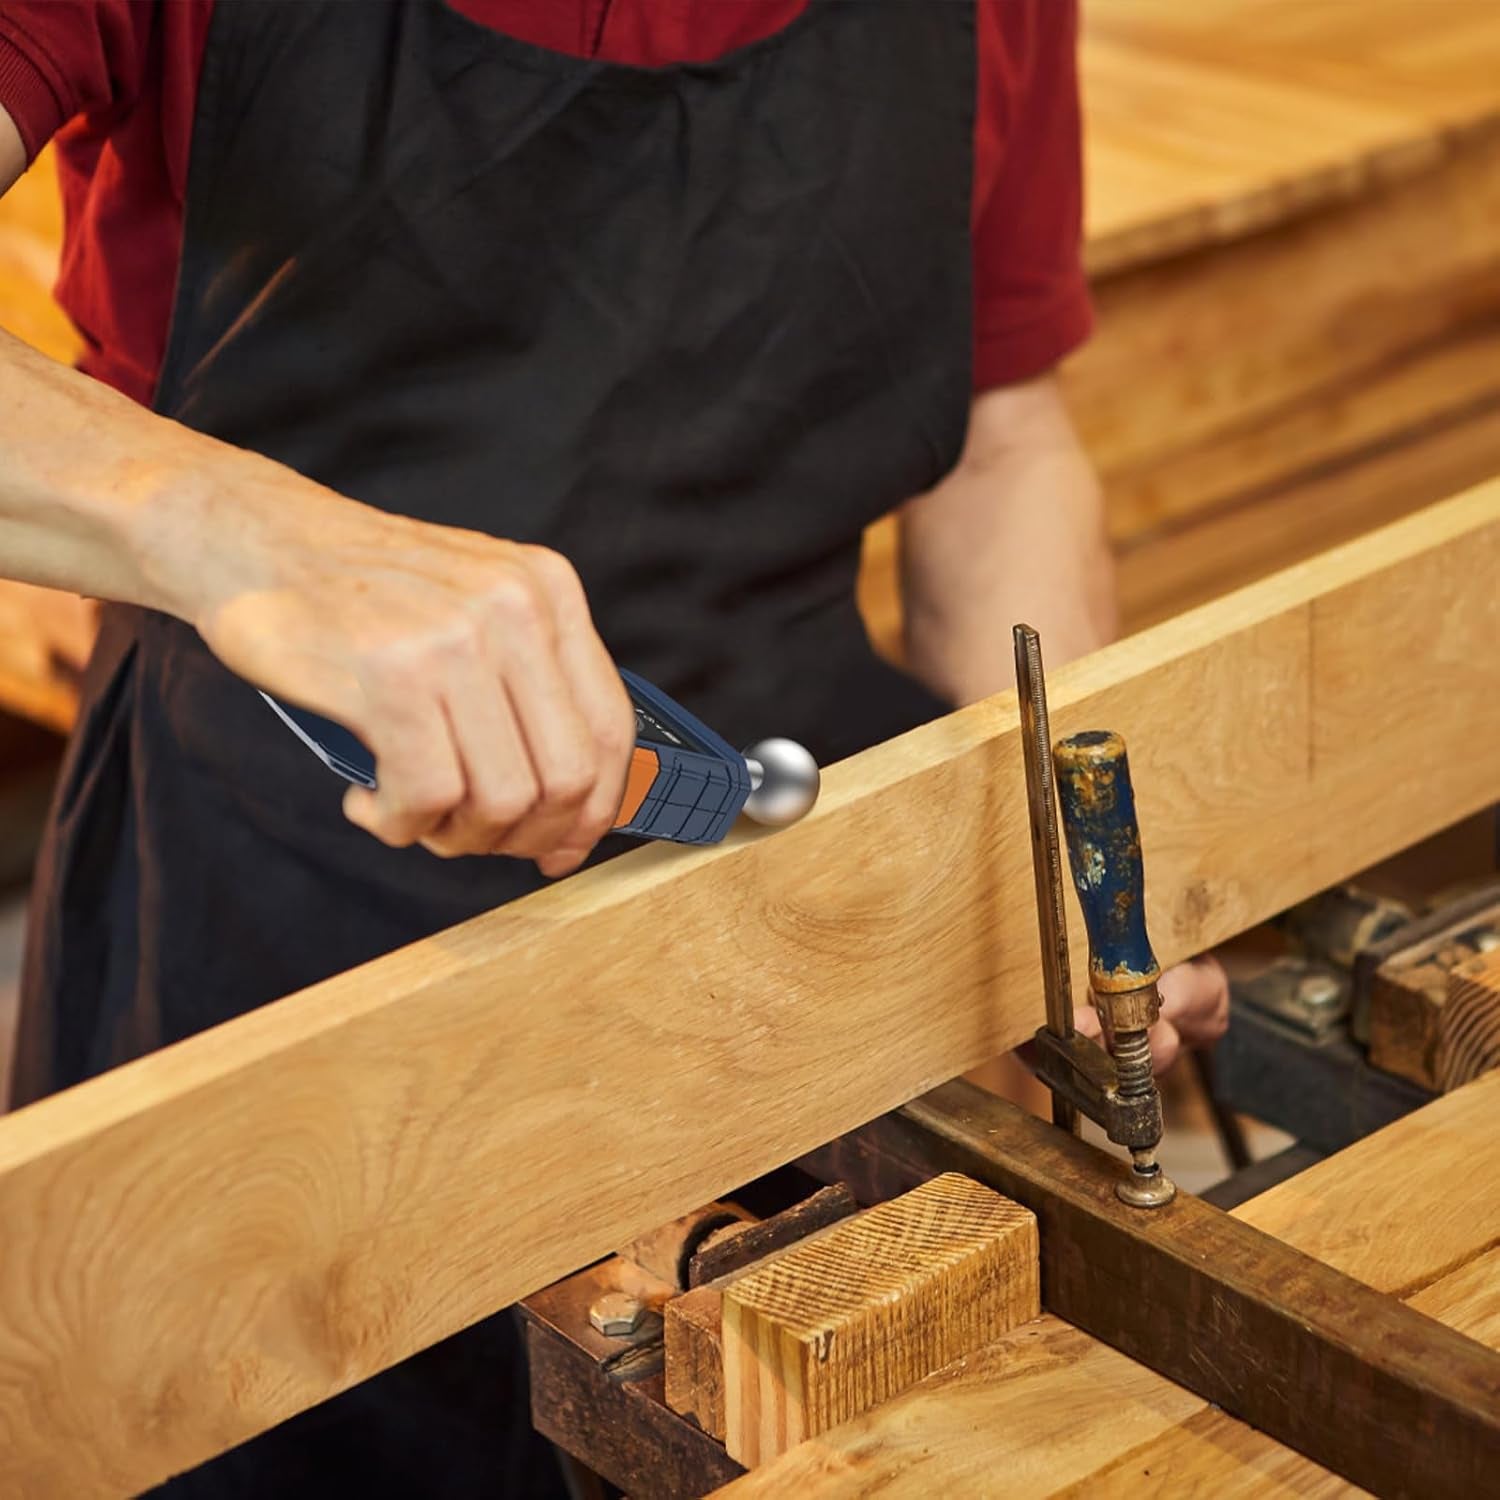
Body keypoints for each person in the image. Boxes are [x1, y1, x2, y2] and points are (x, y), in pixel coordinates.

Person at [0, 1, 1227, 1492]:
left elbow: (1006, 436)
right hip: (284, 937)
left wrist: (1070, 880)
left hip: (799, 940)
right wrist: (243, 532)